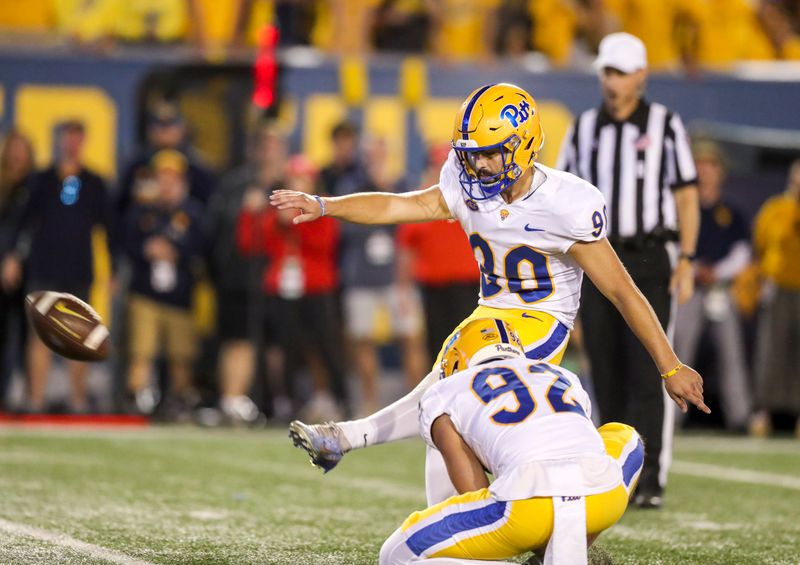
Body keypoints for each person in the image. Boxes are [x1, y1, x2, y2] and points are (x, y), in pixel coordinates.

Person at [276, 82, 707, 507]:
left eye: (489, 153)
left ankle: (361, 443)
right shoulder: (463, 181)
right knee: (442, 409)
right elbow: (400, 205)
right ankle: (457, 524)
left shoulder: (564, 202)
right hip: (490, 312)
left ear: (523, 146)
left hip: (542, 322)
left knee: (457, 381)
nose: (478, 165)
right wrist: (326, 204)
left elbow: (622, 291)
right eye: (471, 154)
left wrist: (669, 366)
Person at [557, 32, 700, 508]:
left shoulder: (665, 125)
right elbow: (563, 197)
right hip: (599, 255)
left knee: (652, 369)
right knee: (606, 368)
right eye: (607, 71)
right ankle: (615, 477)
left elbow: (685, 195)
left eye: (620, 72)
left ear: (641, 75)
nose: (611, 81)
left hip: (648, 255)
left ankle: (652, 478)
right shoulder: (583, 128)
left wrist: (687, 257)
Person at [378, 318, 644, 565]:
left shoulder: (444, 391)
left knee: (394, 554)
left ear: (458, 358)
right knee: (628, 437)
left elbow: (473, 493)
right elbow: (578, 438)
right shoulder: (562, 376)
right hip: (602, 497)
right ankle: (566, 548)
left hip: (526, 506)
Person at [1, 120, 114, 413]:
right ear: (60, 141)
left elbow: (108, 228)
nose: (72, 144)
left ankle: (77, 400)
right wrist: (13, 256)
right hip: (44, 265)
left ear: (84, 141)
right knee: (40, 334)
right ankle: (35, 399)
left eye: (77, 138)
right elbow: (23, 222)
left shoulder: (93, 182)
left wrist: (112, 269)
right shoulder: (42, 180)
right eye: (68, 138)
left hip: (78, 268)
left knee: (79, 337)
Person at [237, 154, 351, 422]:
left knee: (327, 346)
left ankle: (340, 398)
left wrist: (296, 223)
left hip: (316, 285)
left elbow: (325, 244)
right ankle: (285, 402)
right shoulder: (275, 210)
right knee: (284, 347)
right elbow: (250, 244)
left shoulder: (323, 205)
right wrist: (250, 214)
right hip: (282, 285)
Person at [674, 141, 752, 431]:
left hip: (720, 289)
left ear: (721, 172)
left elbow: (743, 252)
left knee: (731, 354)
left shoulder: (731, 211)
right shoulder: (681, 206)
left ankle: (740, 417)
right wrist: (693, 269)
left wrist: (716, 271)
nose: (705, 171)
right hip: (689, 288)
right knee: (678, 353)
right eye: (700, 165)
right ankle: (672, 418)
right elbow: (672, 245)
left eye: (711, 165)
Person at [123, 149, 206, 418]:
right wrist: (147, 248)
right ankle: (136, 398)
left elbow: (203, 247)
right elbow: (125, 241)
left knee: (180, 355)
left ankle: (179, 401)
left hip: (180, 295)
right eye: (163, 177)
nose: (167, 184)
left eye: (173, 178)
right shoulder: (142, 210)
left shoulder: (193, 212)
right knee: (141, 351)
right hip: (145, 292)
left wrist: (177, 253)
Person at [395, 143, 480, 363]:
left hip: (469, 285)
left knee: (471, 345)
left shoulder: (474, 198)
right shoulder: (421, 203)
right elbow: (407, 249)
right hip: (433, 287)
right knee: (439, 347)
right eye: (438, 165)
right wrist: (403, 290)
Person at [749, 158, 800, 439]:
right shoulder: (775, 209)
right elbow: (760, 244)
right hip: (779, 286)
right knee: (772, 351)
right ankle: (763, 411)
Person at [0, 129, 35, 409]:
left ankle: (25, 392)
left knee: (28, 334)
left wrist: (16, 257)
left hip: (29, 269)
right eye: (13, 148)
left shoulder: (36, 184)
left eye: (21, 149)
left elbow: (32, 227)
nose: (16, 155)